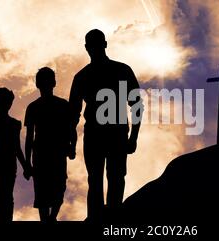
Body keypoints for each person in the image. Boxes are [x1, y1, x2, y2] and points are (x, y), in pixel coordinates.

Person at [69, 29, 143, 221]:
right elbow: (73, 114)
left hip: (113, 132)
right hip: (99, 133)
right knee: (99, 179)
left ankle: (111, 218)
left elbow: (136, 104)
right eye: (92, 45)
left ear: (103, 45)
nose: (94, 49)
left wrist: (134, 137)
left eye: (96, 44)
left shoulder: (117, 71)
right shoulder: (88, 75)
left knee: (112, 178)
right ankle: (101, 218)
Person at [25, 67, 75, 222]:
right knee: (43, 193)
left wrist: (72, 147)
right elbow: (29, 136)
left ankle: (51, 218)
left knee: (58, 189)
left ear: (53, 83)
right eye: (43, 80)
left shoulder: (62, 105)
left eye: (48, 80)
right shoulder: (33, 107)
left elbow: (70, 129)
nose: (46, 84)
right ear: (38, 84)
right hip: (41, 154)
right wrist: (27, 162)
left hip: (56, 152)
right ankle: (48, 219)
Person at [0, 88, 32, 222]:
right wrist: (26, 165)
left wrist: (26, 165)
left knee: (0, 197)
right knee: (5, 196)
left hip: (0, 162)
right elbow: (17, 148)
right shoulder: (13, 124)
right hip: (5, 162)